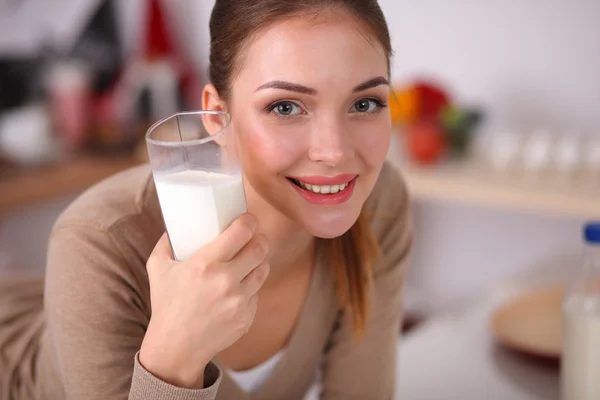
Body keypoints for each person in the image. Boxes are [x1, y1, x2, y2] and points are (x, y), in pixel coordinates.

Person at [0, 0, 412, 399]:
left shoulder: (377, 201)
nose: (335, 152)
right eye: (285, 107)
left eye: (365, 103)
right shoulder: (100, 240)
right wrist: (175, 358)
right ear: (216, 116)